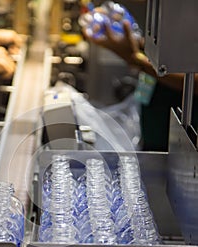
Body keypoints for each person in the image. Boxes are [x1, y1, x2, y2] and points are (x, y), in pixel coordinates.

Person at [83, 2, 198, 151]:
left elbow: (194, 82)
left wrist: (136, 59)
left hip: (180, 136)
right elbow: (180, 49)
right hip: (155, 121)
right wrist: (137, 42)